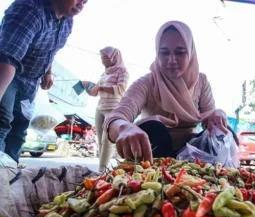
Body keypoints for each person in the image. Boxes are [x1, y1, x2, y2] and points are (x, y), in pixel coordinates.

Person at [104, 20, 235, 162]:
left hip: (192, 155)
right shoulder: (147, 83)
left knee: (224, 130)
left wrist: (217, 115)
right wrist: (124, 127)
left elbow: (210, 124)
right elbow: (114, 120)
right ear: (157, 53)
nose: (172, 60)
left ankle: (212, 178)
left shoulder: (201, 82)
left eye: (180, 52)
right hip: (153, 154)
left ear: (191, 53)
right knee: (154, 128)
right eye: (164, 53)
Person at [0, 0, 87, 163]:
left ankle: (9, 175)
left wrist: (48, 72)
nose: (81, 5)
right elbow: (7, 58)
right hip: (8, 74)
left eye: (85, 1)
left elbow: (51, 50)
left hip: (30, 82)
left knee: (19, 129)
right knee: (2, 121)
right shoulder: (30, 10)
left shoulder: (67, 21)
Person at [83, 47, 129, 172]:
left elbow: (120, 89)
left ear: (114, 57)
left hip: (113, 109)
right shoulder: (104, 73)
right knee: (100, 141)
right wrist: (87, 87)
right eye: (102, 58)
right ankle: (102, 170)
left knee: (107, 140)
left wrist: (100, 87)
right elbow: (94, 92)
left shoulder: (123, 71)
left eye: (105, 58)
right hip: (100, 108)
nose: (103, 61)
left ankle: (101, 171)